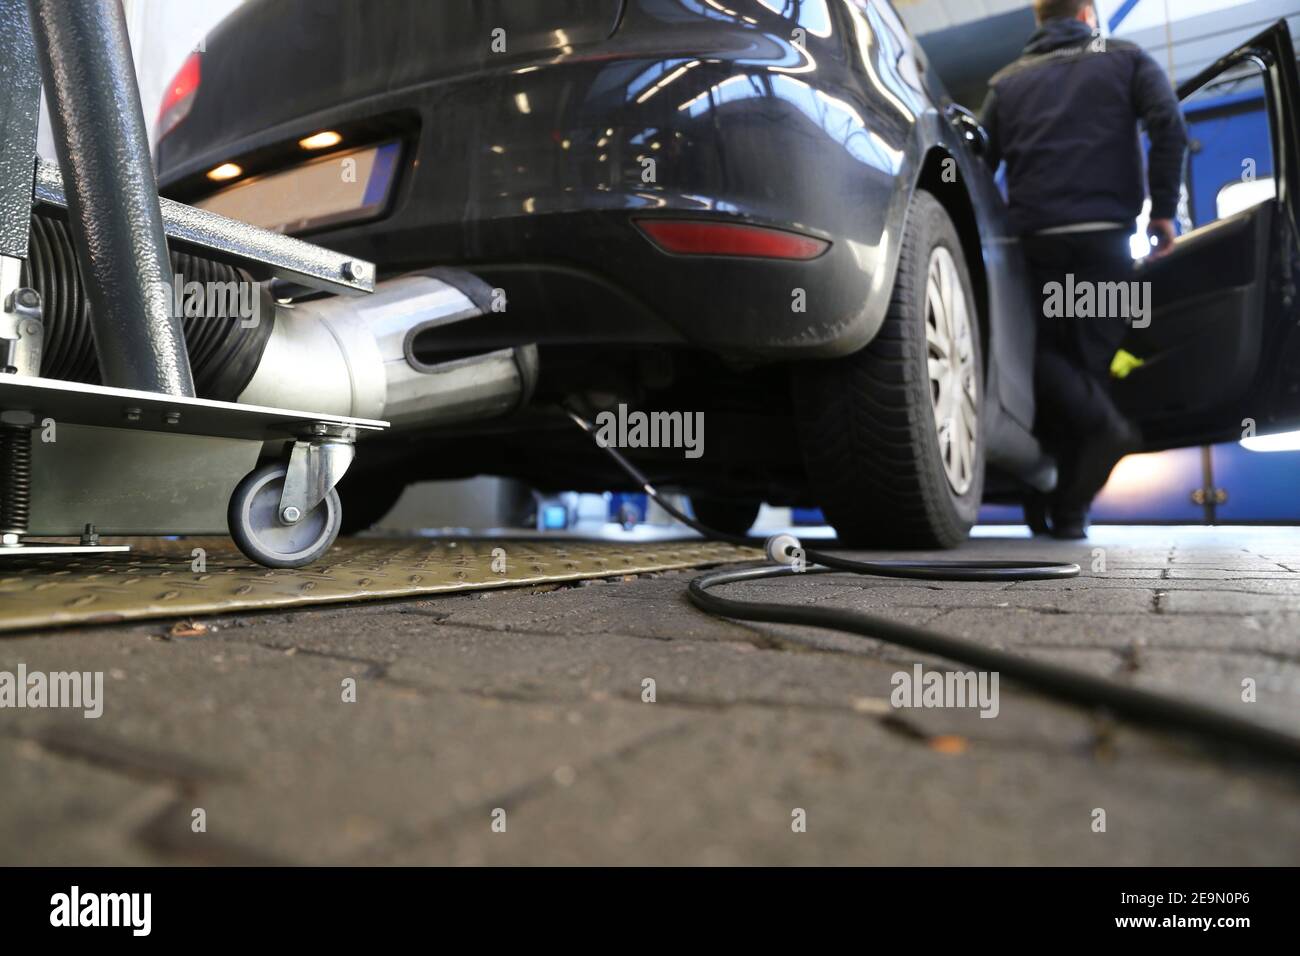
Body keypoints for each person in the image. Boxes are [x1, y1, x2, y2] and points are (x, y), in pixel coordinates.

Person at [980, 0, 1189, 538]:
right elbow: (1168, 126)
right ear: (1089, 14)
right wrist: (1164, 211)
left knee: (1043, 362)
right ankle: (1093, 460)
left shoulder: (1006, 83)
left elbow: (978, 163)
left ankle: (1056, 507)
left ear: (1040, 20)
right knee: (1088, 368)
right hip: (1105, 243)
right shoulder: (1127, 58)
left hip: (1035, 249)